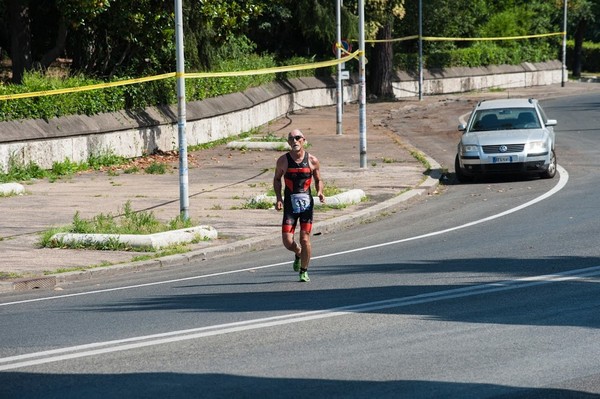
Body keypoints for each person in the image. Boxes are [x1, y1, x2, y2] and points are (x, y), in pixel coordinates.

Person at [273, 129, 325, 282]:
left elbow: (318, 179)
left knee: (305, 238)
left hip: (306, 206)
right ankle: (298, 252)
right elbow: (277, 179)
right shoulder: (282, 161)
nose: (294, 141)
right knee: (288, 242)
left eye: (297, 138)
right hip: (290, 205)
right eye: (291, 139)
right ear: (288, 142)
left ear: (304, 140)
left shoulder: (312, 160)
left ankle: (304, 270)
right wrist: (278, 198)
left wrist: (320, 192)